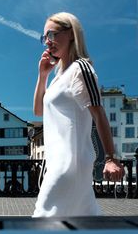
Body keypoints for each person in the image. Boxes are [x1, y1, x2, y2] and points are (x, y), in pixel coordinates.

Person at [32, 12, 124, 217]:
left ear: (71, 34)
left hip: (69, 167)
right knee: (86, 227)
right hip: (59, 164)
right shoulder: (59, 77)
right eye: (44, 37)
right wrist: (43, 76)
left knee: (40, 226)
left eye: (52, 35)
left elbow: (99, 113)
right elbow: (39, 111)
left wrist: (110, 158)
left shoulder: (81, 68)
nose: (47, 42)